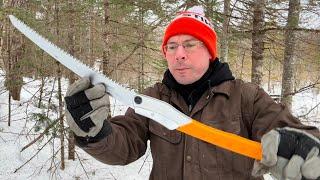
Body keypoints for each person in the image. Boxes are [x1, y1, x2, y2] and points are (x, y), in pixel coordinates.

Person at [64, 6, 320, 180]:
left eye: (190, 44)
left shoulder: (247, 97)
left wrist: (302, 146)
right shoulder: (153, 98)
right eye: (172, 46)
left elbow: (292, 133)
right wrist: (94, 133)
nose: (179, 54)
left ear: (210, 51)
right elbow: (125, 145)